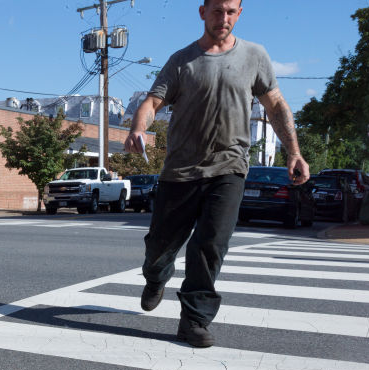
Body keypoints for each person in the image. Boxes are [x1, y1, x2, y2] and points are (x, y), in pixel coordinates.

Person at [124, 0, 309, 348]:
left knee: (210, 243)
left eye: (230, 11)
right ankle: (156, 275)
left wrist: (294, 152)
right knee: (160, 246)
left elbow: (276, 105)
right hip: (180, 171)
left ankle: (194, 319)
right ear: (202, 12)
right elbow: (152, 102)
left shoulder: (255, 56)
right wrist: (138, 128)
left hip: (229, 167)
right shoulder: (182, 61)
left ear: (239, 13)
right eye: (217, 10)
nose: (223, 18)